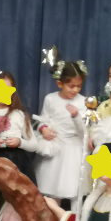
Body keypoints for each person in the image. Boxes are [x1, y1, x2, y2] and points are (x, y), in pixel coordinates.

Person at [34, 61, 87, 206]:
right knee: (52, 187)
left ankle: (76, 218)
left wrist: (76, 116)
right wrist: (43, 129)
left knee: (75, 189)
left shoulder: (82, 102)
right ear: (60, 84)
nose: (75, 90)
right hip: (56, 148)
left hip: (74, 150)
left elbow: (84, 130)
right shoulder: (50, 99)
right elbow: (42, 119)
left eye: (79, 86)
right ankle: (54, 219)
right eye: (71, 86)